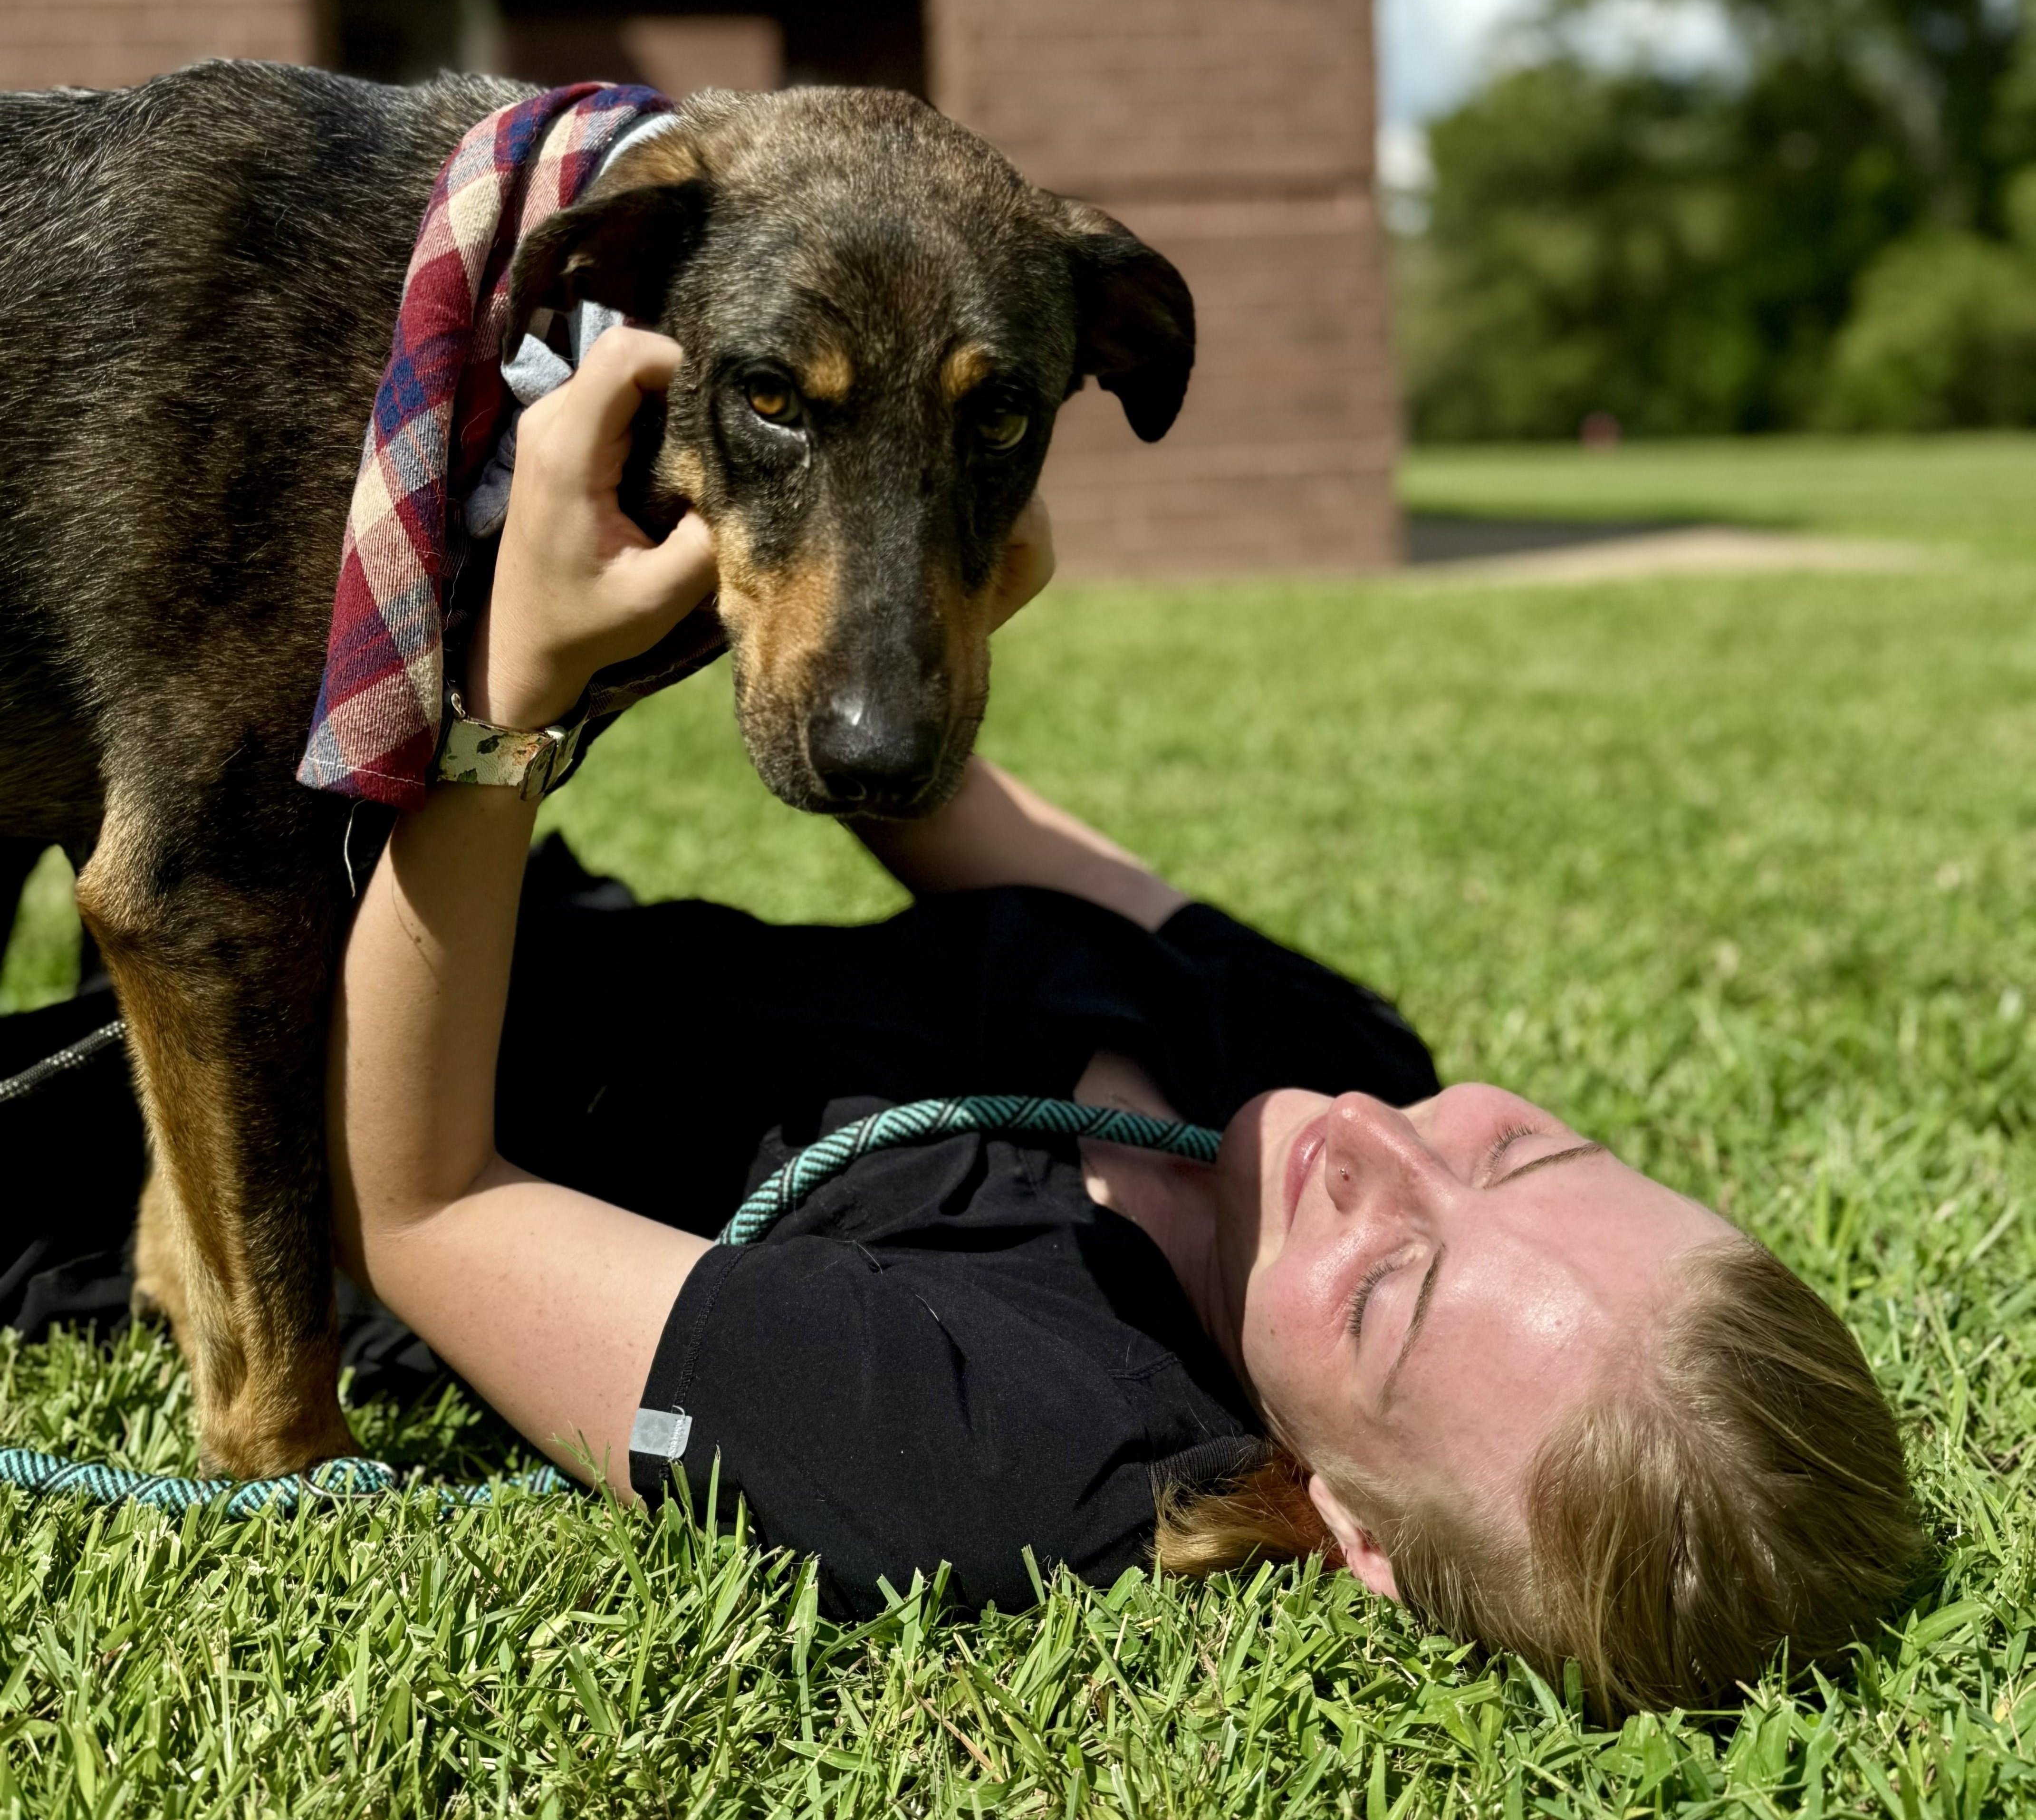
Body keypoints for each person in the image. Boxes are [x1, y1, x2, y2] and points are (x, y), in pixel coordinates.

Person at [4, 329, 1924, 1720]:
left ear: (1356, 1531)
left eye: (1392, 1295)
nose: (1378, 1146)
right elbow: (942, 807)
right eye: (1528, 1151)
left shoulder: (1007, 1446)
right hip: (511, 915)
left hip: (215, 1131)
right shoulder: (1340, 1059)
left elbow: (417, 1205)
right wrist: (939, 581)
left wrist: (512, 699)